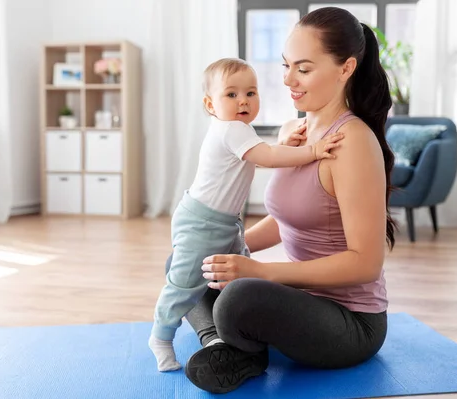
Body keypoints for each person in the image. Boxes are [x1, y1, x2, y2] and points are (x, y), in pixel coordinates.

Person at [178, 6, 397, 394]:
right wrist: (229, 249)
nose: (288, 80)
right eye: (285, 65)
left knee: (240, 297)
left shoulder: (352, 142)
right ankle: (223, 345)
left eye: (304, 68)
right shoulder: (294, 130)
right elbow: (288, 218)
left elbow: (366, 263)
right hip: (300, 299)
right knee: (195, 266)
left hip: (351, 322)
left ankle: (239, 346)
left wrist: (260, 272)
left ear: (345, 69)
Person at [148, 57, 344, 372]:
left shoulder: (239, 130)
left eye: (251, 93)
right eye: (232, 94)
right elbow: (264, 157)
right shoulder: (231, 130)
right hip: (202, 222)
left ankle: (227, 333)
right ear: (210, 104)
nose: (243, 101)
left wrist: (282, 143)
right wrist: (313, 150)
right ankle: (161, 335)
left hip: (224, 223)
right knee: (185, 282)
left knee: (233, 277)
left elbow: (257, 153)